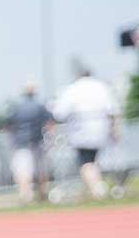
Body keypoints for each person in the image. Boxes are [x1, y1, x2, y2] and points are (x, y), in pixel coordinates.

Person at [52, 62, 122, 200]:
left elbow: (59, 113)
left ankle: (97, 187)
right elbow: (114, 110)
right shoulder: (102, 87)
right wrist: (115, 129)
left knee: (86, 162)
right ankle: (91, 190)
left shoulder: (72, 89)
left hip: (80, 131)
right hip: (101, 129)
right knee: (92, 162)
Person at [7, 81, 56, 202]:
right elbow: (50, 123)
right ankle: (43, 194)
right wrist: (51, 139)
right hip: (37, 142)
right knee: (41, 170)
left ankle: (25, 195)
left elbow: (8, 125)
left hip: (20, 143)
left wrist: (11, 139)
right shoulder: (40, 107)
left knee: (23, 171)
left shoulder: (16, 108)